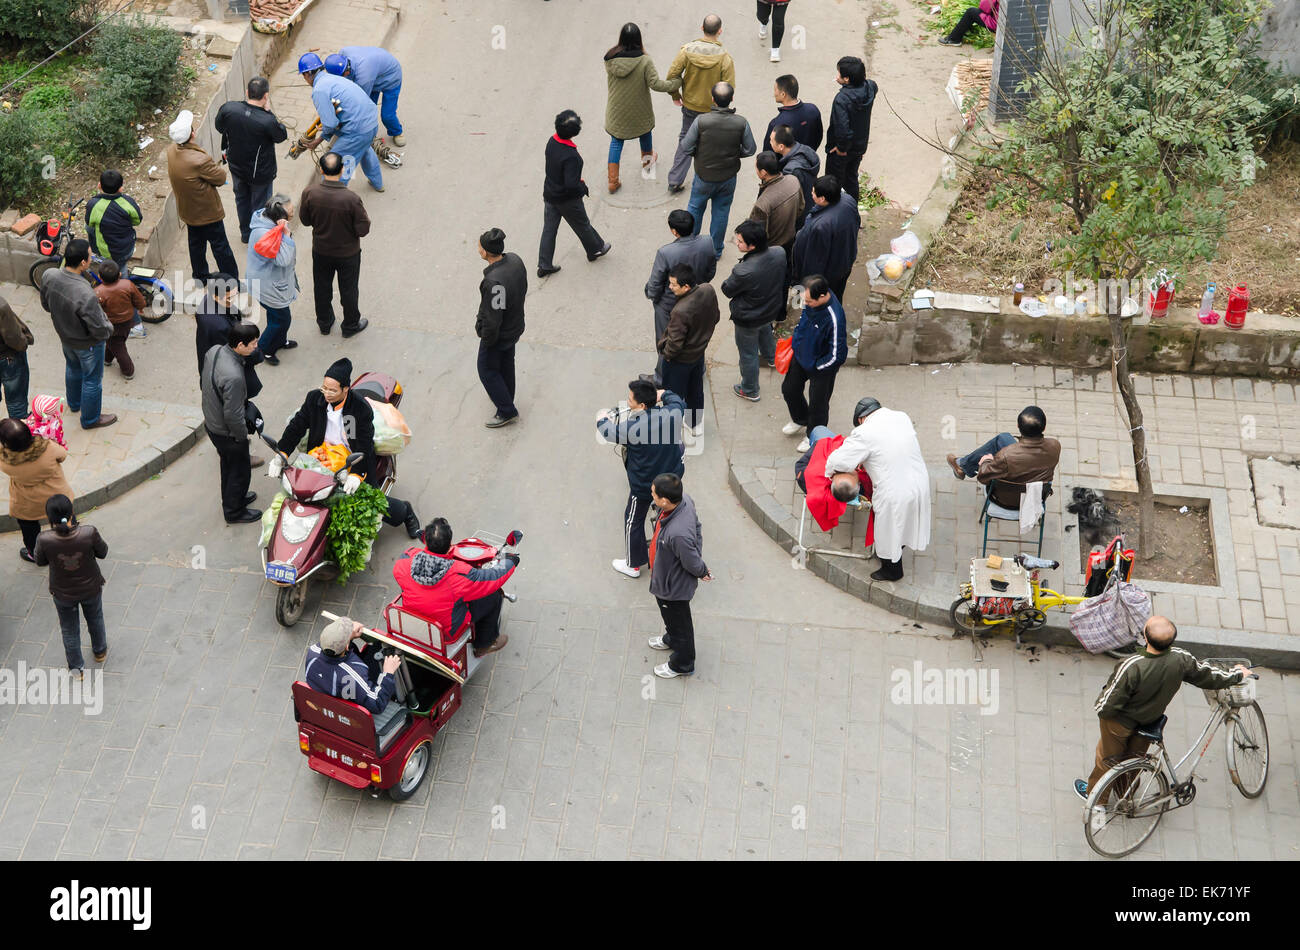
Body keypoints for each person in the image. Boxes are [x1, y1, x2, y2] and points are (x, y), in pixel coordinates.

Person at [1075, 616, 1251, 800]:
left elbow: (1108, 704)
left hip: (1119, 723)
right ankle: (1125, 796)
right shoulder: (1181, 658)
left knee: (1108, 760)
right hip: (1149, 719)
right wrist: (1238, 674)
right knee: (1133, 760)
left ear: (1145, 636)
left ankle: (1096, 799)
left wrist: (1102, 711)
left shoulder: (1132, 666)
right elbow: (1208, 675)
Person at [273, 357, 422, 538]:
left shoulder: (360, 408)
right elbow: (296, 426)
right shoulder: (314, 398)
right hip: (321, 456)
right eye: (324, 388)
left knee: (370, 502)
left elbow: (365, 444)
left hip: (353, 459)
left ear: (345, 389)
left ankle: (405, 511)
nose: (326, 394)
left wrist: (356, 474)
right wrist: (281, 454)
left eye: (332, 390)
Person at [824, 397, 932, 580]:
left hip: (893, 491)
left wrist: (829, 473)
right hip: (919, 481)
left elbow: (838, 461)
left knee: (887, 531)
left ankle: (892, 571)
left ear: (860, 419)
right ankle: (898, 549)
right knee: (906, 522)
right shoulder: (901, 417)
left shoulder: (864, 432)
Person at [393, 517, 520, 658]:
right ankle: (484, 645)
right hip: (447, 631)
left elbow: (406, 566)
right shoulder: (460, 574)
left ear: (426, 542)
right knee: (494, 595)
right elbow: (493, 576)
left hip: (414, 619)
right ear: (449, 546)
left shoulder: (404, 562)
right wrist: (510, 561)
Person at [597, 379, 686, 579]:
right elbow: (678, 401)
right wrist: (663, 393)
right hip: (671, 477)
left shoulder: (632, 427)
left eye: (630, 399)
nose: (627, 401)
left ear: (642, 405)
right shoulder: (672, 413)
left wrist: (602, 419)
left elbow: (607, 432)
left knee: (633, 520)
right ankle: (669, 551)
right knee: (670, 513)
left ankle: (633, 564)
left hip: (645, 485)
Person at [39, 240, 115, 430]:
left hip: (65, 336)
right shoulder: (85, 293)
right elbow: (100, 328)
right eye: (90, 255)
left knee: (73, 368)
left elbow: (46, 304)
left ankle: (74, 404)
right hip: (87, 343)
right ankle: (90, 420)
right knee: (92, 380)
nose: (91, 258)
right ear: (83, 263)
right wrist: (108, 328)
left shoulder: (50, 275)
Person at [34, 494, 108, 677]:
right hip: (91, 588)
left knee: (69, 630)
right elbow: (103, 552)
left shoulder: (44, 539)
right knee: (95, 618)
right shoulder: (89, 532)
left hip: (63, 594)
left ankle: (77, 669)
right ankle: (100, 652)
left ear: (49, 517)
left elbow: (39, 561)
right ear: (72, 512)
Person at [195, 276, 265, 470]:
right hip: (223, 374)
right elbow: (236, 350)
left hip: (211, 369)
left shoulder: (207, 304)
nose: (233, 300)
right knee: (233, 411)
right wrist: (256, 353)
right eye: (229, 297)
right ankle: (237, 452)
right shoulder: (219, 326)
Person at [603, 22, 682, 193]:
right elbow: (655, 84)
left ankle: (612, 181)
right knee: (645, 134)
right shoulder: (644, 60)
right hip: (639, 109)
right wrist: (676, 83)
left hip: (617, 110)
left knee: (616, 141)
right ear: (639, 38)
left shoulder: (609, 58)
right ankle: (647, 164)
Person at [299, 151, 371, 337]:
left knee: (321, 287)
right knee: (348, 289)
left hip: (321, 250)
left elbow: (305, 221)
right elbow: (363, 229)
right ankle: (350, 326)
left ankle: (324, 322)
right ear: (343, 170)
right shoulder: (351, 199)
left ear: (321, 170)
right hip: (348, 253)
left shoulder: (310, 193)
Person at [682, 82, 757, 259]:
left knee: (695, 209)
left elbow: (686, 147)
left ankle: (690, 246)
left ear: (713, 99)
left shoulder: (701, 121)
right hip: (728, 177)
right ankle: (715, 251)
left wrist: (699, 154)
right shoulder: (741, 122)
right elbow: (750, 149)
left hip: (703, 176)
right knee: (721, 213)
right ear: (731, 99)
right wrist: (733, 154)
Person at [646, 473, 711, 678]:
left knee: (680, 623)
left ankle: (682, 663)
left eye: (654, 494)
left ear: (665, 500)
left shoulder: (678, 533)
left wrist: (702, 570)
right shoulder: (685, 501)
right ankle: (672, 638)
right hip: (665, 579)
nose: (652, 496)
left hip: (673, 588)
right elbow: (698, 529)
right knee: (672, 619)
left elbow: (690, 560)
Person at [666, 14, 737, 194]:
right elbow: (729, 87)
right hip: (712, 110)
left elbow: (672, 75)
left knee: (685, 139)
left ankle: (675, 179)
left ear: (701, 28)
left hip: (690, 105)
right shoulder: (725, 58)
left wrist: (675, 94)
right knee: (711, 142)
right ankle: (710, 179)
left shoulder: (686, 51)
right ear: (720, 31)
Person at [167, 110, 240, 281]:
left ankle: (200, 276)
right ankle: (231, 279)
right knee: (220, 246)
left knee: (196, 244)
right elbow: (220, 178)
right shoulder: (199, 160)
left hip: (188, 210)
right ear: (192, 134)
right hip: (207, 212)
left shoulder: (171, 151)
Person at [645, 210, 717, 385]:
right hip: (697, 297)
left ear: (674, 231)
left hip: (669, 303)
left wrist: (654, 298)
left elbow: (655, 283)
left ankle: (661, 377)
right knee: (696, 334)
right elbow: (711, 270)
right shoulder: (707, 242)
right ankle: (698, 368)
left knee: (666, 340)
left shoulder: (666, 252)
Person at [538, 110, 611, 278]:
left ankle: (544, 264)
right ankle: (595, 249)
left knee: (549, 229)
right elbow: (571, 185)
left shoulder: (552, 142)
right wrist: (582, 187)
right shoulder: (571, 156)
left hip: (550, 194)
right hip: (567, 199)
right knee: (582, 224)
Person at [214, 77, 289, 243]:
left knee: (241, 200)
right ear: (266, 96)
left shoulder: (229, 109)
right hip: (260, 173)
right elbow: (281, 136)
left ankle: (246, 235)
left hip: (236, 167)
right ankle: (258, 238)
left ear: (247, 92)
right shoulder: (267, 120)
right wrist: (269, 111)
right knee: (260, 206)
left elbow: (219, 127)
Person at [201, 322, 261, 524]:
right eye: (252, 343)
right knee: (239, 471)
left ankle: (233, 499)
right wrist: (242, 437)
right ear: (240, 345)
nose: (255, 347)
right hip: (227, 432)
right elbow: (233, 415)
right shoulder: (234, 376)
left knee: (227, 465)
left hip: (211, 422)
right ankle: (234, 512)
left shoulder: (215, 350)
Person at [297, 53, 384, 192]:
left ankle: (336, 194)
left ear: (307, 73)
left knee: (335, 163)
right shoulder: (333, 78)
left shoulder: (319, 90)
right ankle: (378, 183)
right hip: (371, 122)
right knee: (364, 148)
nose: (305, 79)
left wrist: (319, 140)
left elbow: (330, 123)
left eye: (303, 75)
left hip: (358, 130)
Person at [947, 405, 1062, 508]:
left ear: (1018, 426)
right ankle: (962, 465)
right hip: (1036, 497)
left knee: (1000, 446)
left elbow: (983, 478)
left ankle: (962, 466)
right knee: (1003, 438)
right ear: (1044, 428)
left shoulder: (1006, 455)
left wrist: (985, 462)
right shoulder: (1055, 446)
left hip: (1005, 500)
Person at [721, 220, 785, 401]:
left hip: (748, 317)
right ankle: (772, 358)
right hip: (770, 308)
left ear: (752, 246)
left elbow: (727, 290)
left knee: (748, 354)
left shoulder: (744, 271)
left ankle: (750, 389)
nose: (736, 242)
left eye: (740, 241)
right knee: (765, 331)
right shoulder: (779, 252)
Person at [780, 275, 846, 452]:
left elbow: (838, 354)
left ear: (823, 296)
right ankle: (800, 418)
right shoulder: (811, 302)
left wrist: (819, 367)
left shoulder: (834, 317)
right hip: (801, 356)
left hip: (821, 368)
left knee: (819, 405)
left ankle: (813, 435)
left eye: (809, 301)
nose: (805, 304)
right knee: (789, 389)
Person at [0, 417, 73, 562]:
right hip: (56, 495)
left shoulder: (5, 461)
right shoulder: (48, 447)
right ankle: (71, 543)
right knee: (66, 517)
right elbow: (63, 455)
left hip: (27, 502)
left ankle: (35, 554)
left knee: (29, 528)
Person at [475, 228, 528, 428]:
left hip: (500, 333)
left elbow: (493, 317)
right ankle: (506, 396)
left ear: (486, 252)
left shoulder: (493, 282)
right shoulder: (515, 260)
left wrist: (486, 338)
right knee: (506, 363)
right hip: (515, 326)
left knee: (487, 369)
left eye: (480, 245)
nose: (478, 247)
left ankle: (506, 410)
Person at [659, 264, 720, 434]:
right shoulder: (708, 289)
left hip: (679, 360)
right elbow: (716, 316)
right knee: (695, 390)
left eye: (673, 285)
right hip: (698, 354)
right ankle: (695, 424)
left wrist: (667, 355)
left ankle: (670, 428)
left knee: (673, 395)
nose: (670, 288)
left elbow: (675, 344)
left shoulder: (680, 311)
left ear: (686, 286)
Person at [304, 616, 402, 713]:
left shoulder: (312, 651)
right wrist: (387, 673)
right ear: (346, 646)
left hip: (328, 700)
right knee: (376, 648)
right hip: (351, 704)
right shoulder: (353, 674)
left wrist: (348, 637)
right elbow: (377, 704)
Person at [246, 194, 299, 366]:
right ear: (279, 217)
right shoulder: (266, 234)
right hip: (267, 285)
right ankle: (264, 349)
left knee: (275, 316)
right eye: (290, 211)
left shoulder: (267, 222)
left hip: (268, 282)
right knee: (282, 319)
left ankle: (279, 341)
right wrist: (287, 235)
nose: (293, 213)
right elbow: (283, 260)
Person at [791, 175, 860, 301]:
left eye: (813, 192)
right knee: (837, 295)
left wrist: (808, 283)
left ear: (822, 199)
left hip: (829, 274)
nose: (811, 194)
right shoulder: (848, 200)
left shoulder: (822, 226)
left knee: (821, 302)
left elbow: (815, 260)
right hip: (844, 262)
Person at [325, 47, 405, 146]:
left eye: (345, 73)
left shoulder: (364, 78)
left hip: (391, 77)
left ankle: (397, 132)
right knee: (368, 110)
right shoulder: (343, 52)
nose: (346, 75)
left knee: (387, 115)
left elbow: (360, 102)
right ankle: (369, 131)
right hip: (375, 73)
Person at [825, 56, 878, 203]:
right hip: (860, 145)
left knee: (833, 183)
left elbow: (842, 129)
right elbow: (873, 86)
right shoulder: (870, 87)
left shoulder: (842, 99)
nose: (837, 76)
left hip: (843, 150)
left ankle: (833, 216)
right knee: (851, 178)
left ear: (847, 79)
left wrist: (841, 149)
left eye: (839, 74)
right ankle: (852, 212)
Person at [94, 261, 145, 381]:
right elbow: (139, 300)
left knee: (118, 346)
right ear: (119, 275)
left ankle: (128, 371)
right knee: (116, 342)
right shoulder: (128, 285)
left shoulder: (98, 292)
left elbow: (95, 312)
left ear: (100, 277)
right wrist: (141, 307)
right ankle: (107, 359)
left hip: (110, 325)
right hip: (127, 321)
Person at [749, 150, 803, 255]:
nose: (755, 170)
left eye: (756, 168)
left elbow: (757, 235)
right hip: (790, 239)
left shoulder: (762, 204)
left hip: (771, 248)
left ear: (763, 172)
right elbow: (800, 208)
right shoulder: (793, 180)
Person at [771, 124, 820, 228]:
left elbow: (790, 200)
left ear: (781, 146)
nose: (770, 142)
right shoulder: (806, 150)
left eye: (771, 140)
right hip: (811, 199)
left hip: (801, 214)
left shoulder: (791, 170)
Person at [762, 74, 822, 152]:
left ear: (783, 94)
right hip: (810, 160)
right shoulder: (813, 110)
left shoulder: (777, 124)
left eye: (775, 90)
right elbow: (818, 136)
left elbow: (768, 154)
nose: (774, 94)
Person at [0, 294, 34, 420]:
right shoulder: (1, 306)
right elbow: (14, 338)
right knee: (16, 402)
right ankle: (17, 434)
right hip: (7, 358)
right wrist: (24, 342)